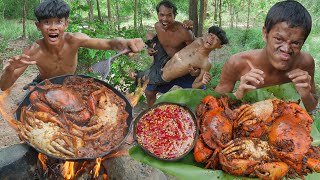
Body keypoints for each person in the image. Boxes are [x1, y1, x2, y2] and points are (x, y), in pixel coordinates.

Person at [0, 0, 145, 91]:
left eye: (58, 22)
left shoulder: (75, 39)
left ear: (66, 23)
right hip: (45, 86)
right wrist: (9, 70)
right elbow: (4, 86)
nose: (53, 27)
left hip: (71, 83)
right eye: (46, 22)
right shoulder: (34, 51)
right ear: (38, 25)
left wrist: (125, 43)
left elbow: (108, 43)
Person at [215, 0, 318, 112]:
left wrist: (306, 95)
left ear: (303, 42)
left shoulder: (305, 63)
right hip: (249, 123)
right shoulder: (237, 63)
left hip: (287, 125)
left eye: (295, 43)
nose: (286, 49)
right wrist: (238, 95)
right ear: (265, 34)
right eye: (279, 39)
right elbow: (215, 106)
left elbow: (311, 107)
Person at [138, 0, 206, 107]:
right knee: (149, 92)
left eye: (169, 15)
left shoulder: (184, 32)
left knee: (201, 95)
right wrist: (150, 47)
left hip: (184, 69)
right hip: (166, 67)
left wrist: (196, 71)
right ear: (158, 14)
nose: (165, 19)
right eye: (162, 15)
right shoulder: (158, 27)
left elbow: (196, 51)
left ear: (174, 15)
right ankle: (152, 114)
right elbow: (154, 39)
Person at [145, 26, 228, 88]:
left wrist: (202, 82)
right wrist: (188, 24)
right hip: (164, 60)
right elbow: (185, 33)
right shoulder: (198, 40)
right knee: (149, 34)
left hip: (162, 76)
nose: (211, 39)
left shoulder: (206, 63)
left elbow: (194, 85)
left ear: (219, 46)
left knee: (135, 75)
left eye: (216, 40)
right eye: (211, 35)